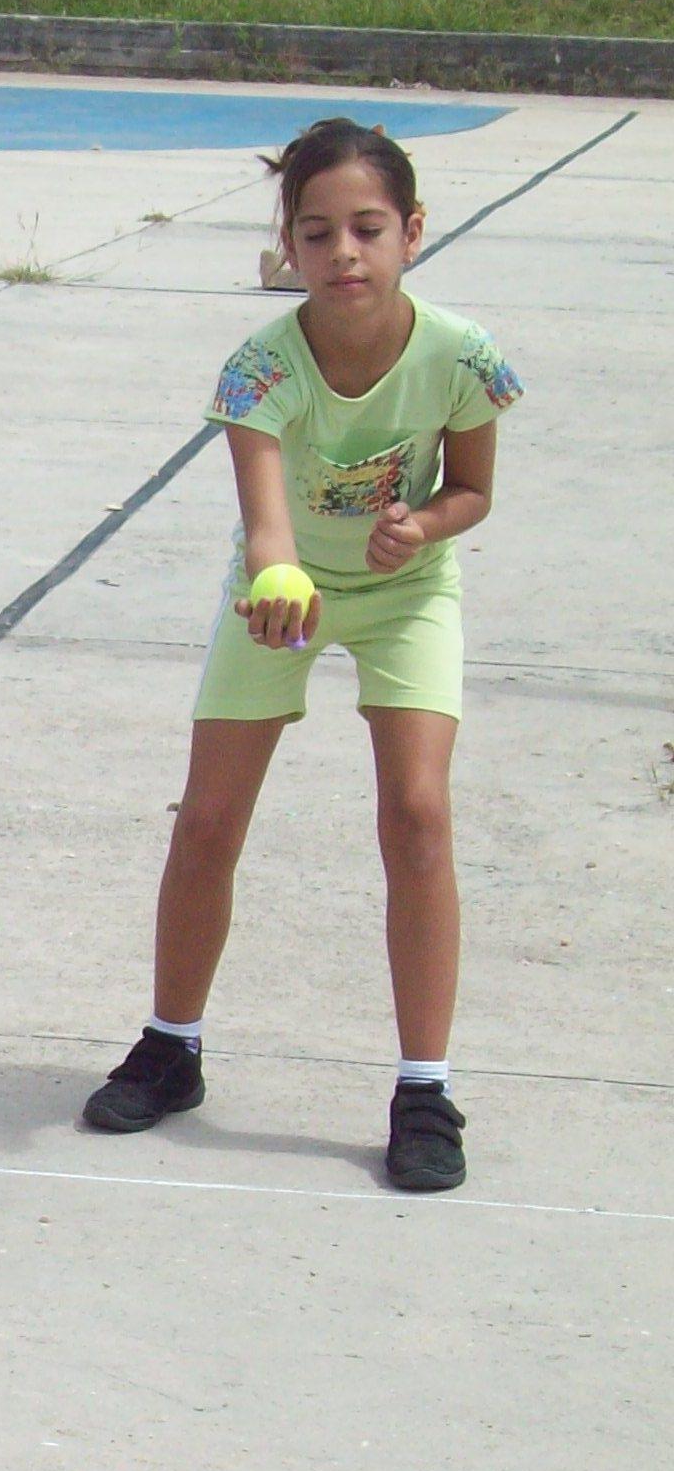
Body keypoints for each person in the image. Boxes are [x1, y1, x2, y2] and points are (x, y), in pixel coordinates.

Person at [82, 117, 523, 1192]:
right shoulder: (258, 369)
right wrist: (278, 585)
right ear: (290, 247)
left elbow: (472, 489)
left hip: (407, 589)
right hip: (283, 596)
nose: (345, 254)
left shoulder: (461, 356)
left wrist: (420, 526)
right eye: (317, 233)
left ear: (413, 232)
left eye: (368, 228)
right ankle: (170, 1044)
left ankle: (426, 1088)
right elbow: (266, 524)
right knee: (210, 818)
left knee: (417, 814)